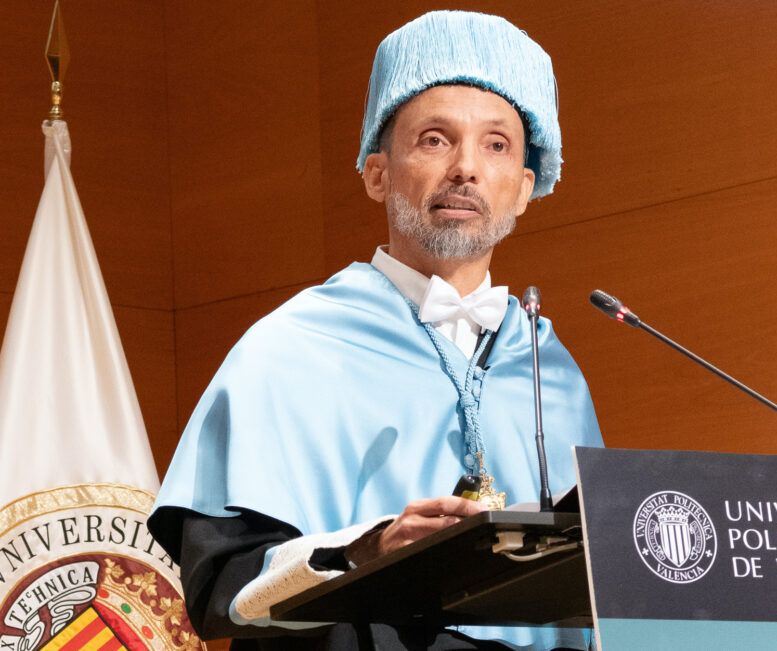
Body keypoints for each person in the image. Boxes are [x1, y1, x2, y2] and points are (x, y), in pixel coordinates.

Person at [149, 10, 602, 651]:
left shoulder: (550, 370)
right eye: (435, 140)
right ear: (377, 174)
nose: (466, 168)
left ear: (525, 188)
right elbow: (221, 588)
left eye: (496, 145)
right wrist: (366, 550)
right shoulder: (290, 349)